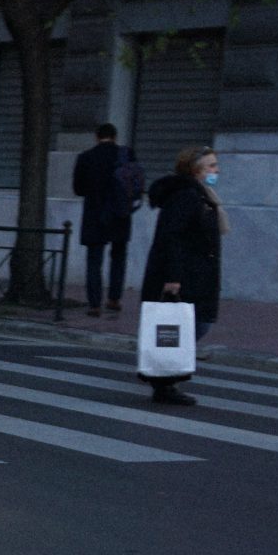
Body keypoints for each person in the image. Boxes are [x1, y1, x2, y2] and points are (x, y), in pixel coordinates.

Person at [138, 145, 226, 406]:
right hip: (186, 274)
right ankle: (164, 383)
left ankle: (164, 380)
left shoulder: (200, 194)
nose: (216, 170)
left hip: (197, 272)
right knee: (190, 326)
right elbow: (172, 238)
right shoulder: (187, 196)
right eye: (211, 166)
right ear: (195, 169)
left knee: (192, 325)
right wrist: (173, 276)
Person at [70, 123, 139, 317]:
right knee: (118, 257)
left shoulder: (86, 157)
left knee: (94, 261)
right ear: (115, 137)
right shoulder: (127, 155)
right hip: (120, 214)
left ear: (96, 137)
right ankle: (114, 298)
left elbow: (78, 189)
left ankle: (94, 304)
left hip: (95, 214)